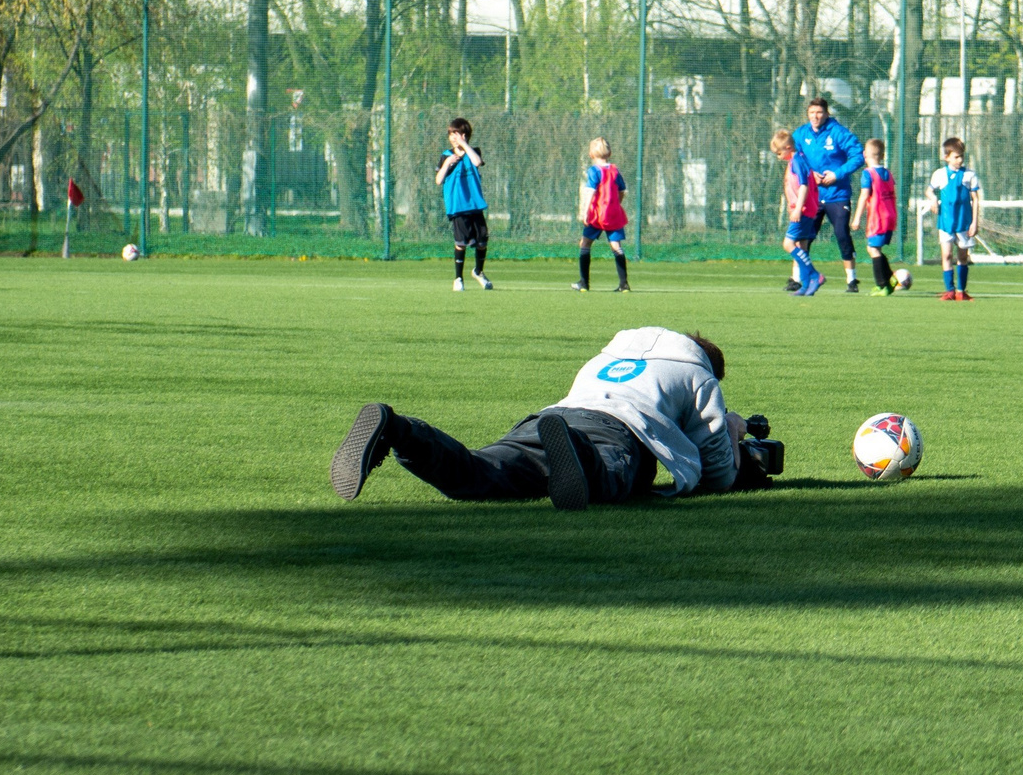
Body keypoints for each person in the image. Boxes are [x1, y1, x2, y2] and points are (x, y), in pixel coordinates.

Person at [331, 327, 771, 512]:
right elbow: (717, 474)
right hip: (618, 430)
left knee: (478, 473)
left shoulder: (609, 354)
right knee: (613, 475)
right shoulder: (698, 373)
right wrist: (733, 431)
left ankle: (399, 429)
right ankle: (579, 456)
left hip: (553, 416)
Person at [788, 95, 865, 293]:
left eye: (819, 112)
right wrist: (809, 173)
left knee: (841, 235)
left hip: (836, 194)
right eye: (812, 112)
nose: (815, 116)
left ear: (826, 113)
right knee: (801, 237)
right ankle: (797, 278)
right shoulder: (801, 134)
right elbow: (794, 157)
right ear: (807, 114)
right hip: (811, 196)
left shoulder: (838, 132)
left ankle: (851, 280)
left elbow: (858, 156)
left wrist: (837, 174)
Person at [438, 117, 493, 291]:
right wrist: (448, 163)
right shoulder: (446, 156)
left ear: (465, 135)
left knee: (482, 241)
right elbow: (438, 180)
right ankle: (458, 279)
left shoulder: (473, 151)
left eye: (457, 134)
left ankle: (478, 271)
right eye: (451, 134)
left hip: (475, 204)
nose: (454, 137)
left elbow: (477, 162)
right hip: (457, 206)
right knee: (461, 242)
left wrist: (465, 146)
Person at [929, 135, 982, 301]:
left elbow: (975, 199)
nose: (959, 160)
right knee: (946, 256)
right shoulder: (939, 174)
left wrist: (974, 222)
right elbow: (929, 190)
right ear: (947, 157)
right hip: (946, 222)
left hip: (964, 222)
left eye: (962, 156)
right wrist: (932, 200)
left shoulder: (969, 175)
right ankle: (949, 290)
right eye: (956, 157)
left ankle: (961, 291)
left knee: (962, 257)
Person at [773, 127, 824, 296]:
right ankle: (805, 284)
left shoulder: (796, 161)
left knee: (788, 244)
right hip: (806, 209)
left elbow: (804, 185)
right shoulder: (799, 159)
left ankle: (815, 275)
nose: (778, 157)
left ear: (788, 148)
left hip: (803, 210)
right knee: (801, 245)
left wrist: (798, 209)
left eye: (779, 153)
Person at [575, 137, 629, 292]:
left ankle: (584, 283)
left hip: (598, 214)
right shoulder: (614, 170)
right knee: (616, 247)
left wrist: (585, 212)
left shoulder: (594, 171)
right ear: (609, 153)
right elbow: (622, 191)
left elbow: (591, 192)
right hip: (614, 213)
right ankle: (624, 284)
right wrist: (616, 204)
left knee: (585, 244)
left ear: (591, 154)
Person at [851, 138, 900, 295]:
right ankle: (890, 278)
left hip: (878, 218)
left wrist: (857, 217)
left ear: (865, 154)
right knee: (874, 248)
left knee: (873, 249)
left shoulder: (868, 174)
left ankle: (882, 285)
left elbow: (864, 196)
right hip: (890, 216)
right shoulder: (888, 173)